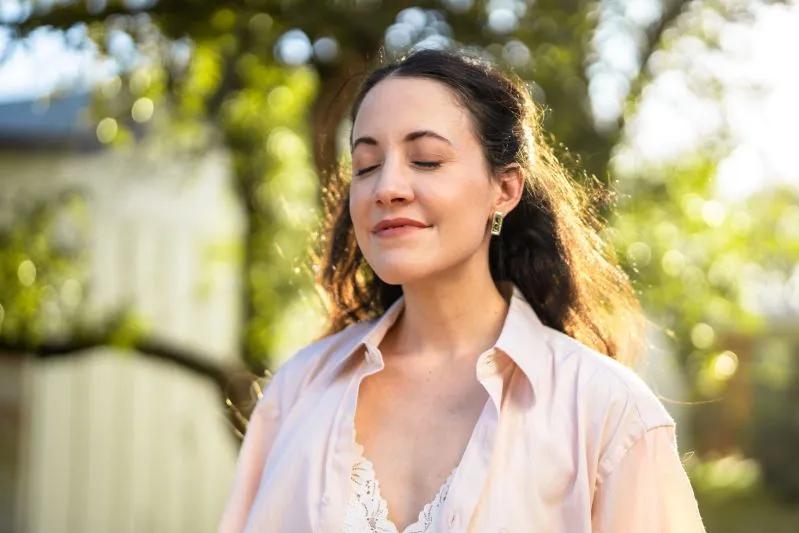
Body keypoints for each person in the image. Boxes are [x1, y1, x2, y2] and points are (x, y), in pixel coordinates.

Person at [218, 47, 707, 533]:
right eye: (366, 165)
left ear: (505, 190)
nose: (387, 186)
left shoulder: (607, 412)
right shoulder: (297, 391)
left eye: (427, 160)